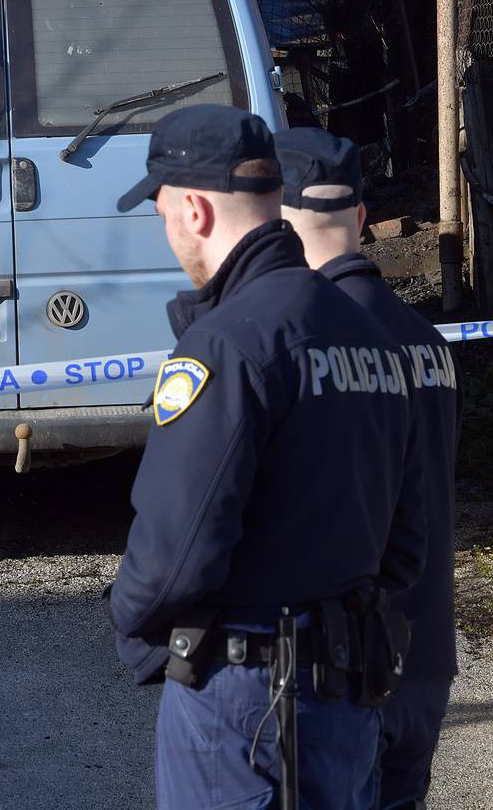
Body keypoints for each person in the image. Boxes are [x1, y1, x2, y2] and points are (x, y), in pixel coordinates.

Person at [108, 105, 425, 810]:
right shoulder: (372, 337)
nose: (165, 231)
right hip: (346, 703)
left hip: (243, 706)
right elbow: (407, 544)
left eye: (159, 210)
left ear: (193, 209)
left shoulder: (225, 347)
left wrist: (130, 623)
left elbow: (173, 556)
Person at [277, 127, 461, 810]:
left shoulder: (306, 341)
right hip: (427, 653)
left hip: (347, 662)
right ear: (359, 218)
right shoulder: (431, 343)